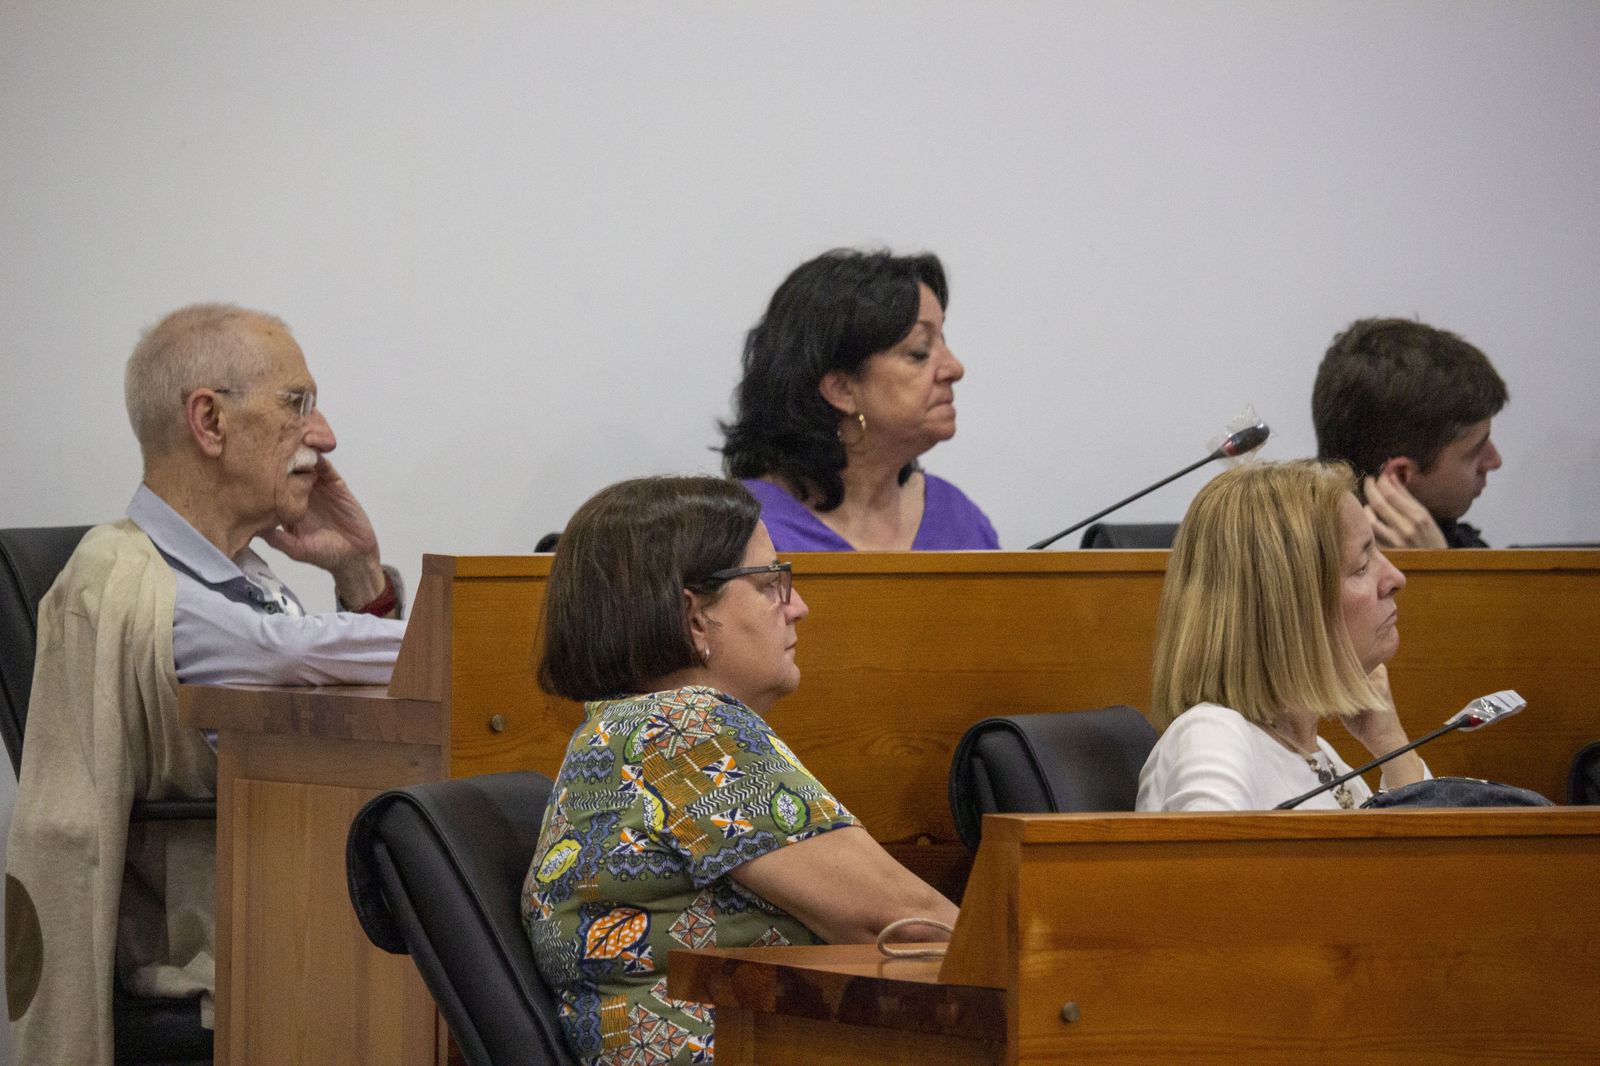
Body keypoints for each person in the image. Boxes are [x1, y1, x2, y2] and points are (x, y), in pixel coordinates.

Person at [7, 304, 406, 1065]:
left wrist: (357, 571)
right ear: (210, 422)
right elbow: (288, 658)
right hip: (237, 956)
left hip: (301, 922)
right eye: (298, 404)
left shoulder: (244, 577)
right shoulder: (123, 579)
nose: (323, 436)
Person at [523, 476, 958, 1065]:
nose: (797, 606)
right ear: (694, 615)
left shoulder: (627, 733)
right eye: (770, 583)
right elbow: (908, 924)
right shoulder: (681, 732)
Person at [1137, 460, 1430, 811]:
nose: (1395, 578)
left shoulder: (1316, 754)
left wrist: (1390, 742)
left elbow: (1433, 863)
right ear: (1290, 609)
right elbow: (1214, 866)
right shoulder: (1213, 737)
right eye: (1362, 566)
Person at [719, 249, 999, 551]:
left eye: (943, 341)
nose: (954, 369)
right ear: (841, 390)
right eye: (920, 352)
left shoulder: (958, 520)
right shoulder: (741, 534)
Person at [1312, 317, 1508, 548]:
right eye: (1475, 451)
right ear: (1401, 476)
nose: (1495, 461)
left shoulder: (1462, 542)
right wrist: (1437, 573)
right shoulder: (1306, 575)